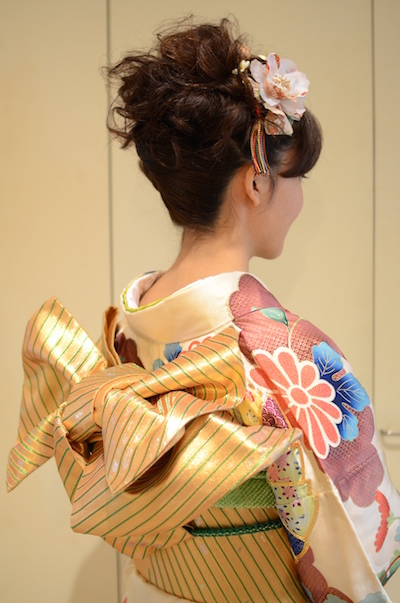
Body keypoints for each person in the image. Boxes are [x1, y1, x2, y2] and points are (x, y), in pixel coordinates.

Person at [6, 18, 400, 603]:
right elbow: (361, 560)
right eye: (296, 177)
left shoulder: (131, 325)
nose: (299, 197)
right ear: (256, 184)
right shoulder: (286, 356)